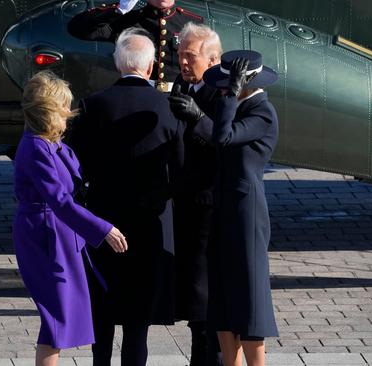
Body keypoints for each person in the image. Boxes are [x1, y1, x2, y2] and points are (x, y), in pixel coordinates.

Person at [68, 28, 184, 366]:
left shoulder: (93, 105)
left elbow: (77, 166)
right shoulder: (167, 107)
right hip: (149, 224)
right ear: (150, 68)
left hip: (102, 221)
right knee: (137, 324)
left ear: (118, 66)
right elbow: (179, 170)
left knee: (102, 317)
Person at [12, 71, 129, 366]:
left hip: (58, 234)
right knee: (56, 317)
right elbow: (61, 201)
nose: (68, 113)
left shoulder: (50, 143)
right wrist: (102, 229)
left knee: (59, 318)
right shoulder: (36, 147)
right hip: (45, 237)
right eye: (62, 108)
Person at [202, 50, 280, 366]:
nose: (223, 90)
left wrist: (230, 97)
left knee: (249, 298)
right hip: (223, 207)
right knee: (221, 295)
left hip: (246, 212)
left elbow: (222, 136)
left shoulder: (262, 111)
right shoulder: (237, 105)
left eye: (229, 84)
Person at [166, 22, 223, 366]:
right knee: (190, 295)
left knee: (205, 296)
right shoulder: (181, 83)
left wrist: (198, 117)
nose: (183, 63)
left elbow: (227, 141)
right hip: (183, 203)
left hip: (208, 205)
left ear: (213, 59)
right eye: (181, 56)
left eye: (190, 57)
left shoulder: (223, 91)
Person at [68, 0, 203, 92]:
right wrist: (119, 9)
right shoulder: (128, 19)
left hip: (175, 100)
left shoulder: (192, 22)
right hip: (137, 97)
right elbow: (78, 29)